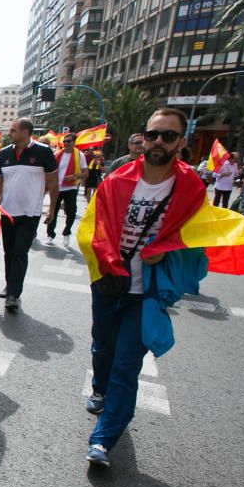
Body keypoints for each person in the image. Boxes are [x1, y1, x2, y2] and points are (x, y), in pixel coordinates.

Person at [78, 108, 190, 467]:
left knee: (127, 364)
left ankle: (104, 438)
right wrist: (106, 262)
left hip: (148, 293)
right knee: (103, 347)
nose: (158, 141)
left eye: (168, 136)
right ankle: (99, 387)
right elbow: (95, 226)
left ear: (181, 142)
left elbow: (198, 241)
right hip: (110, 281)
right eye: (152, 133)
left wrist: (167, 252)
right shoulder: (118, 179)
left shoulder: (190, 187)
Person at [0, 118, 58, 312]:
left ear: (25, 132)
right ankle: (9, 284)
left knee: (20, 252)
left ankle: (13, 293)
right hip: (7, 211)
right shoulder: (4, 154)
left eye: (13, 130)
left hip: (30, 212)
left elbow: (53, 182)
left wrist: (52, 208)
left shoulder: (43, 152)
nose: (9, 134)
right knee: (9, 251)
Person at [46, 133, 88, 244]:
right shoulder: (57, 154)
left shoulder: (79, 155)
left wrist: (74, 176)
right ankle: (50, 234)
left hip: (71, 188)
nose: (66, 143)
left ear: (74, 142)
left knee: (71, 212)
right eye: (64, 141)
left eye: (69, 141)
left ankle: (67, 232)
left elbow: (85, 173)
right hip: (56, 188)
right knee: (53, 210)